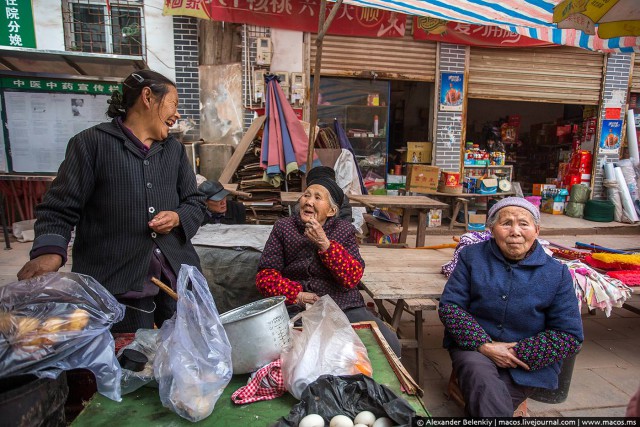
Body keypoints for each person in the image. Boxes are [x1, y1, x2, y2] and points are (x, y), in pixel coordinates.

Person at [17, 70, 206, 332]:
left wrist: (177, 217)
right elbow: (58, 208)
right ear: (147, 97)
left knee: (189, 352)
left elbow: (195, 202)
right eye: (173, 104)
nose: (177, 114)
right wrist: (49, 252)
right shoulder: (90, 144)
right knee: (130, 360)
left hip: (176, 278)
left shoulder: (173, 150)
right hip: (117, 284)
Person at [438, 197, 583, 417]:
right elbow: (451, 307)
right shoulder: (472, 257)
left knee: (487, 400)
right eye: (506, 223)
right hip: (476, 350)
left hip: (529, 361)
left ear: (536, 230)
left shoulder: (557, 273)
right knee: (480, 378)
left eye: (524, 224)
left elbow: (569, 335)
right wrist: (485, 345)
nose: (515, 231)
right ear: (492, 229)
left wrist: (515, 352)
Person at [255, 176, 401, 356]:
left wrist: (326, 245)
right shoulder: (283, 228)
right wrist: (296, 294)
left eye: (317, 198)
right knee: (285, 353)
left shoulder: (344, 230)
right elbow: (265, 277)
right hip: (297, 308)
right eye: (306, 195)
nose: (308, 201)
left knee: (388, 343)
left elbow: (352, 277)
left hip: (343, 305)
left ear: (331, 210)